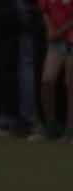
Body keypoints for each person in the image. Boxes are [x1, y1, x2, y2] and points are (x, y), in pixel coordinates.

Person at [37, 0, 73, 143]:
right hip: (56, 42)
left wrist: (59, 31)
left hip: (70, 38)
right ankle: (50, 126)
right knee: (47, 81)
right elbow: (44, 11)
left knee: (70, 83)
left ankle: (70, 130)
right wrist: (50, 29)